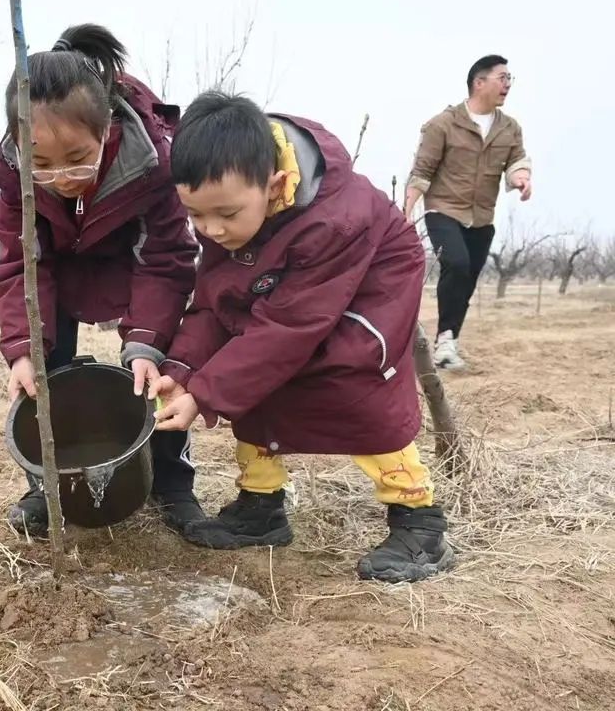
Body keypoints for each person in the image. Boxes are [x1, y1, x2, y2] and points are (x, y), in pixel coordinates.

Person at [149, 91, 454, 584]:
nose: (210, 230)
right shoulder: (230, 210)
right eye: (196, 216)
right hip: (288, 292)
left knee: (351, 382)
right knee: (250, 366)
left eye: (225, 215)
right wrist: (181, 369)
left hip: (370, 286)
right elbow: (214, 301)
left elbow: (287, 331)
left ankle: (419, 521)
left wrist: (205, 392)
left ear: (275, 186)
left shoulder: (334, 218)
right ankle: (261, 506)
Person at [0, 24, 206, 538]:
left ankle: (171, 483)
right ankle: (47, 488)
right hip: (58, 273)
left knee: (155, 375)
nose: (61, 177)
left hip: (134, 269)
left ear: (107, 129)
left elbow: (165, 258)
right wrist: (23, 349)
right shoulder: (16, 185)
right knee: (45, 373)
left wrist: (146, 344)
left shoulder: (153, 166)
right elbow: (21, 264)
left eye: (77, 159)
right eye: (40, 163)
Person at [405, 54, 533, 370]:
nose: (507, 85)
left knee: (467, 279)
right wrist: (405, 214)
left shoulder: (509, 128)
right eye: (502, 78)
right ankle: (443, 341)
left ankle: (447, 343)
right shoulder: (443, 124)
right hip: (443, 209)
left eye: (509, 79)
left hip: (482, 217)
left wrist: (521, 178)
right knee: (457, 264)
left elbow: (517, 160)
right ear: (479, 82)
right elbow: (422, 170)